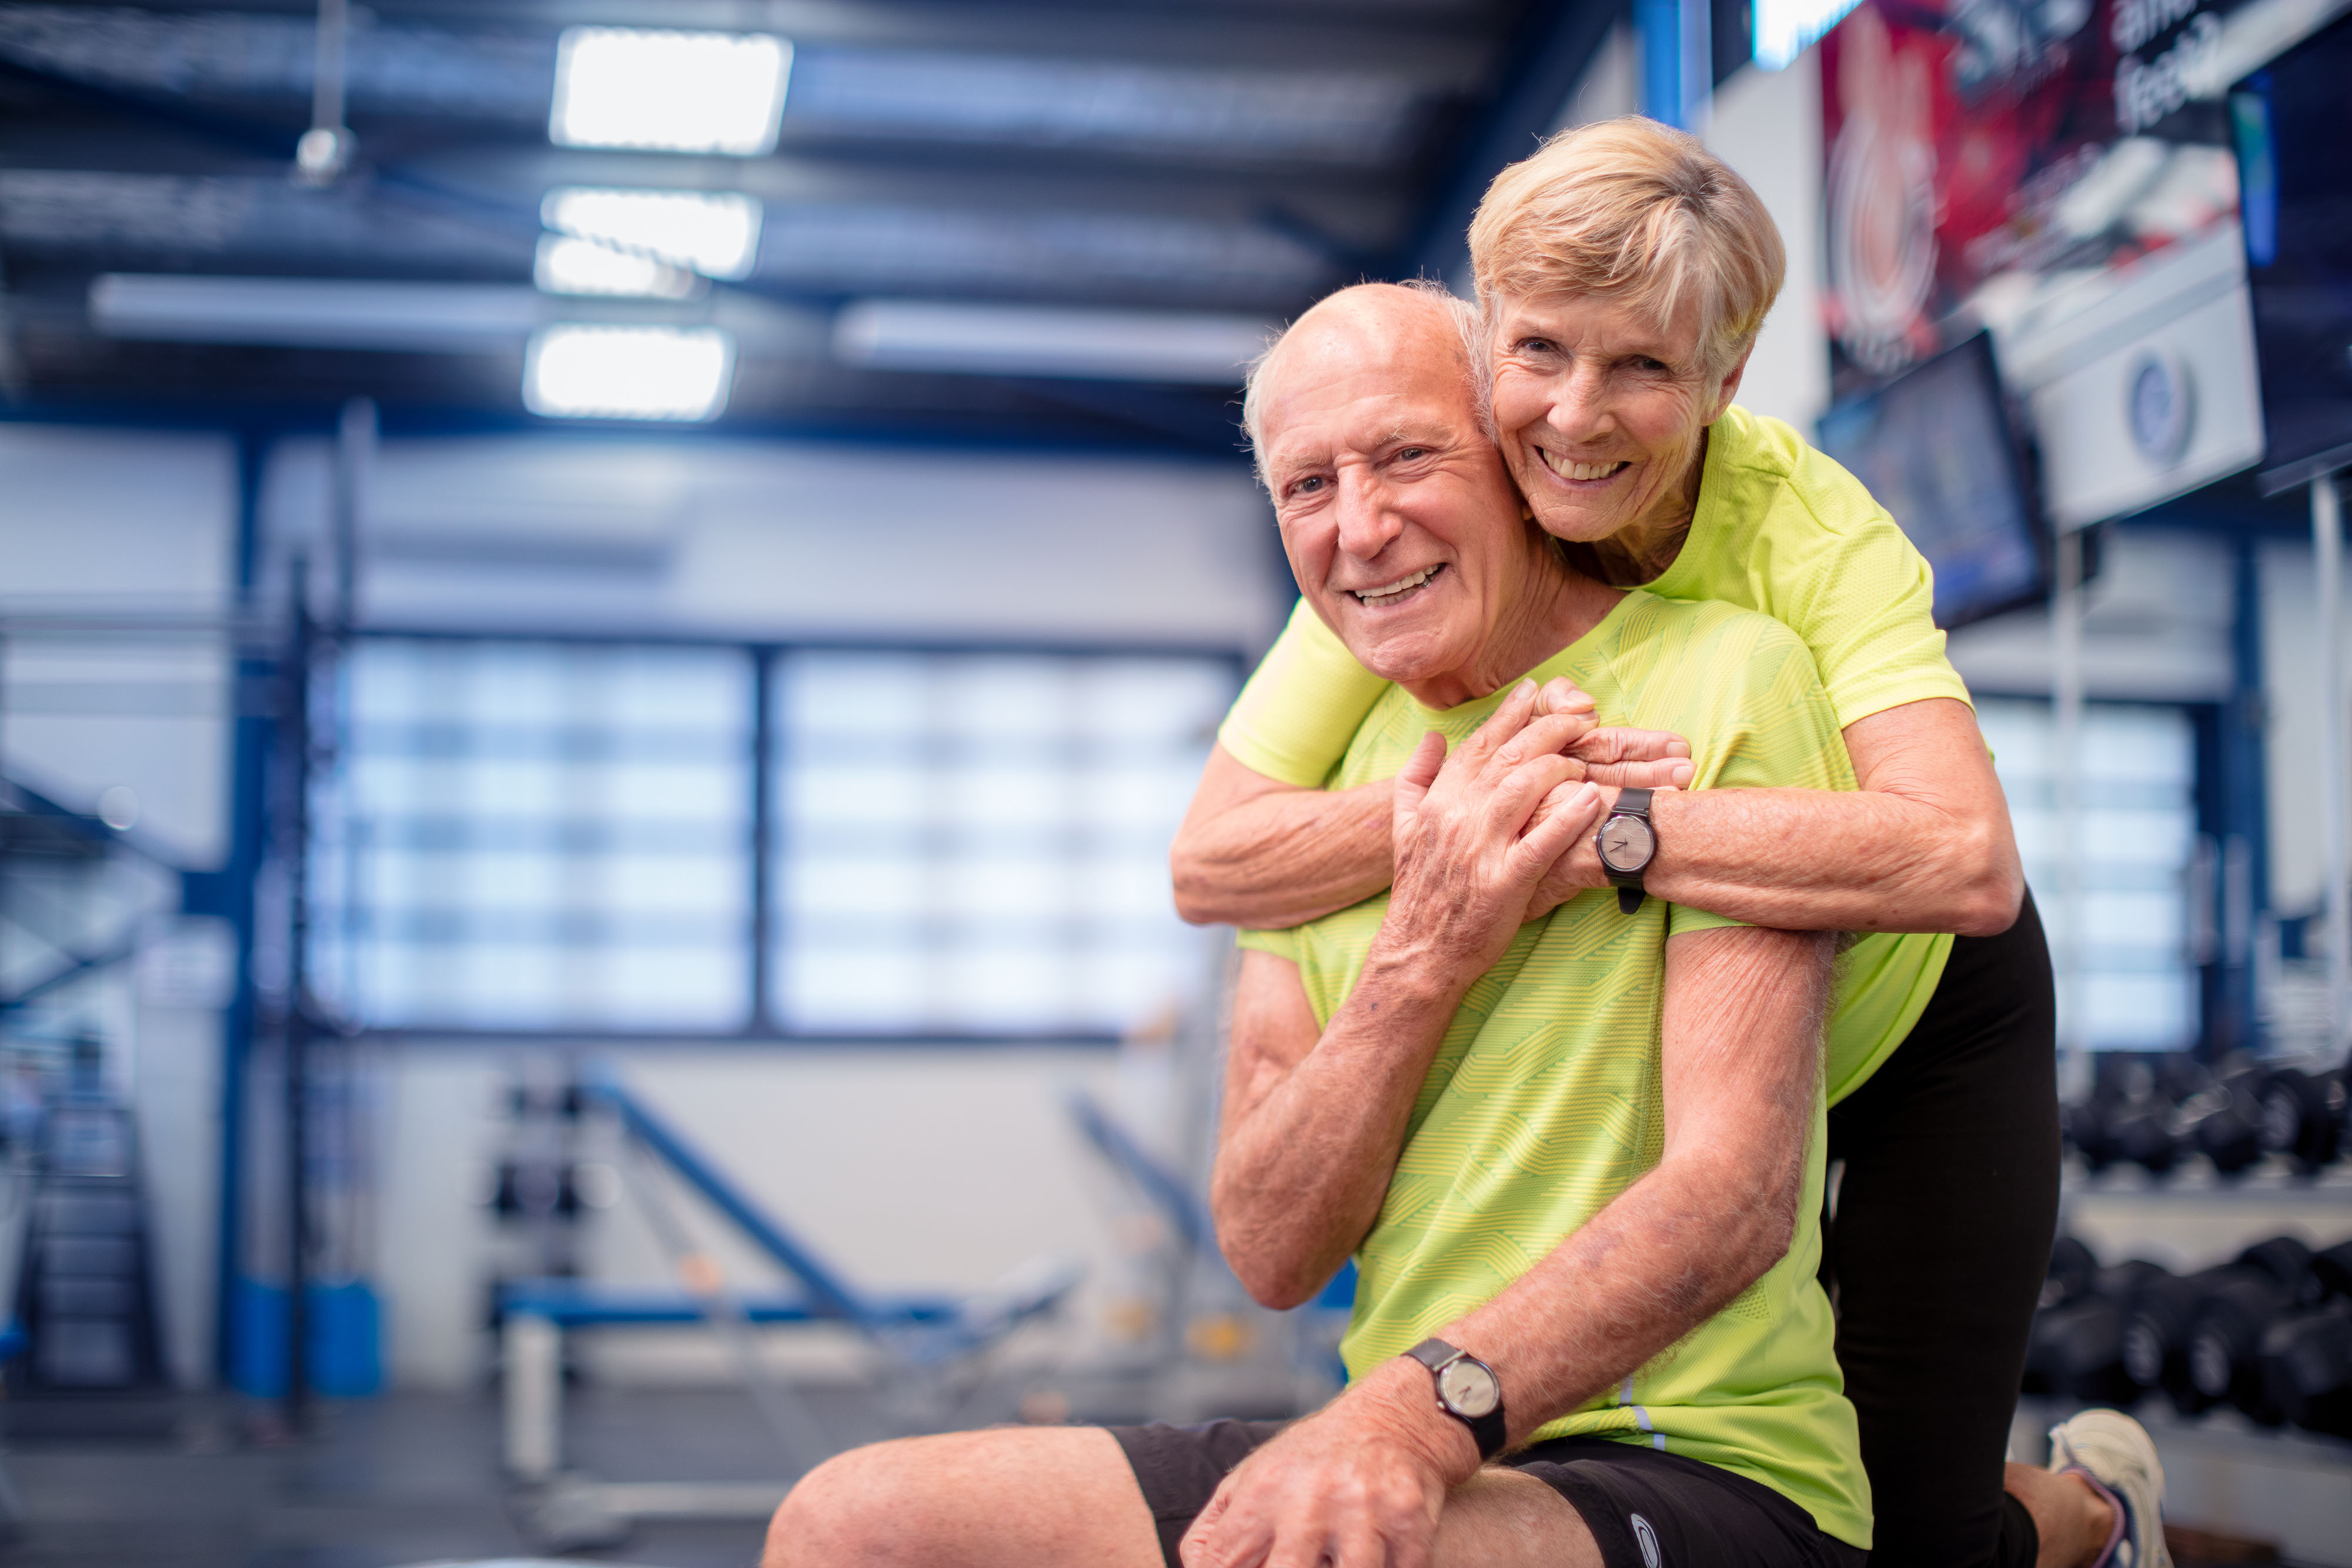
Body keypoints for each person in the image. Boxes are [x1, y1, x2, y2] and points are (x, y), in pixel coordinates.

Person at [766, 285, 2147, 1568]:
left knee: (1925, 1534)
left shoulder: (1729, 666)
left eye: (1407, 458)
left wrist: (1407, 1421)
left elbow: (1731, 1194)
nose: (1356, 526)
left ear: (1515, 458)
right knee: (849, 1520)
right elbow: (1269, 1247)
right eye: (1307, 484)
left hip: (1695, 1435)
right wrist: (1425, 943)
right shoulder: (1308, 789)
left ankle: (2089, 1516)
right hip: (1443, 1431)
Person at [1169, 118, 2120, 1568]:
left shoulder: (1804, 531)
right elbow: (1210, 863)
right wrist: (1469, 817)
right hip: (1723, 966)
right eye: (1540, 353)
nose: (1574, 416)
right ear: (1487, 349)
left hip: (1923, 1007)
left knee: (1918, 1537)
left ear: (1723, 382)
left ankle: (2095, 1511)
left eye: (1644, 369)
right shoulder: (1407, 519)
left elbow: (1966, 864)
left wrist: (1594, 823)